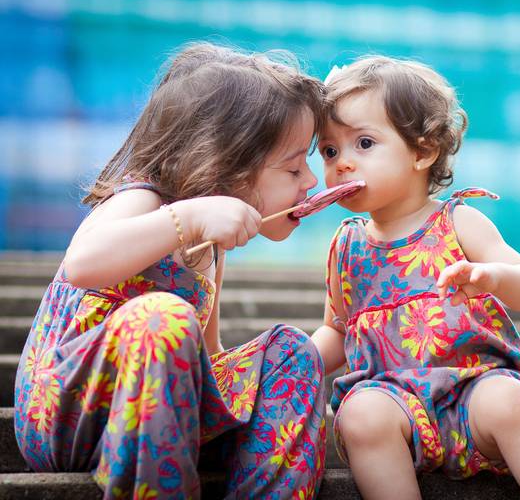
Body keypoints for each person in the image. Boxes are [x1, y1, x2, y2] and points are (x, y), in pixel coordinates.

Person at [14, 42, 327, 500]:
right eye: (294, 167)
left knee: (293, 351)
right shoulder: (142, 202)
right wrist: (186, 220)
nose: (311, 182)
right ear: (226, 164)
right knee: (163, 317)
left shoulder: (213, 252)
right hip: (66, 416)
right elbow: (81, 264)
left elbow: (208, 353)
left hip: (160, 413)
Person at [311, 56, 520, 500]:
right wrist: (296, 361)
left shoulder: (457, 222)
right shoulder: (346, 247)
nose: (342, 164)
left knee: (510, 402)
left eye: (363, 143)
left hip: (473, 389)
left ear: (422, 151)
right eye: (330, 150)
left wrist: (491, 276)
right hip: (392, 404)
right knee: (359, 415)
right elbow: (337, 330)